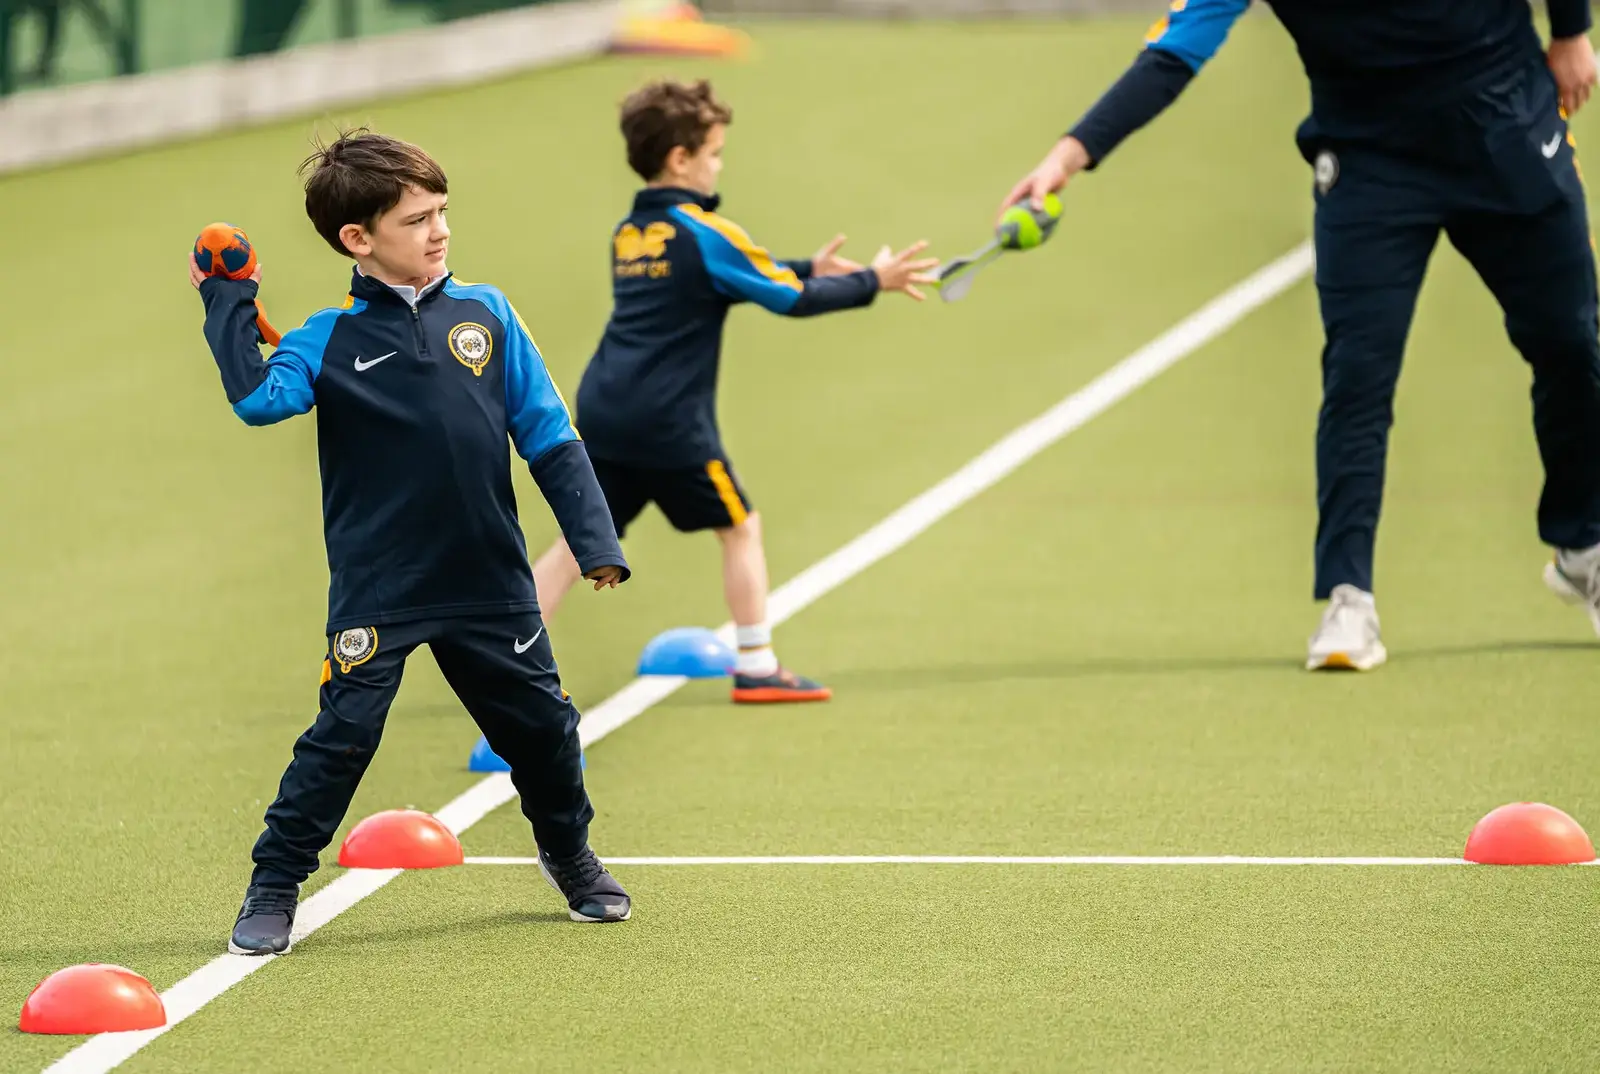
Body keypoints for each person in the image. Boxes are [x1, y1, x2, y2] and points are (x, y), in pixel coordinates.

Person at [1000, 0, 1600, 670]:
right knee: (1358, 373)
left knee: (1572, 343)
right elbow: (1177, 50)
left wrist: (1572, 32)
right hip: (1371, 164)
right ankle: (1350, 596)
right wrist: (1070, 153)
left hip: (1507, 126)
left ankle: (1582, 548)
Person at [193, 130, 634, 955]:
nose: (438, 231)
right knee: (343, 737)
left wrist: (592, 539)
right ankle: (275, 882)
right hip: (381, 586)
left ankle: (569, 853)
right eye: (416, 219)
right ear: (357, 239)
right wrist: (228, 301)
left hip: (489, 580)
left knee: (544, 730)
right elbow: (258, 400)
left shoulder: (487, 315)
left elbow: (549, 434)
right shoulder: (324, 338)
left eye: (441, 213)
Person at [532, 79, 939, 701]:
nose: (718, 163)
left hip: (605, 409)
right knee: (740, 526)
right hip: (668, 423)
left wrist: (805, 265)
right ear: (681, 158)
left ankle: (507, 671)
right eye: (715, 152)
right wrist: (871, 281)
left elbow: (737, 272)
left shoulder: (632, 232)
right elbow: (785, 297)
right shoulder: (703, 229)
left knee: (576, 542)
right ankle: (756, 665)